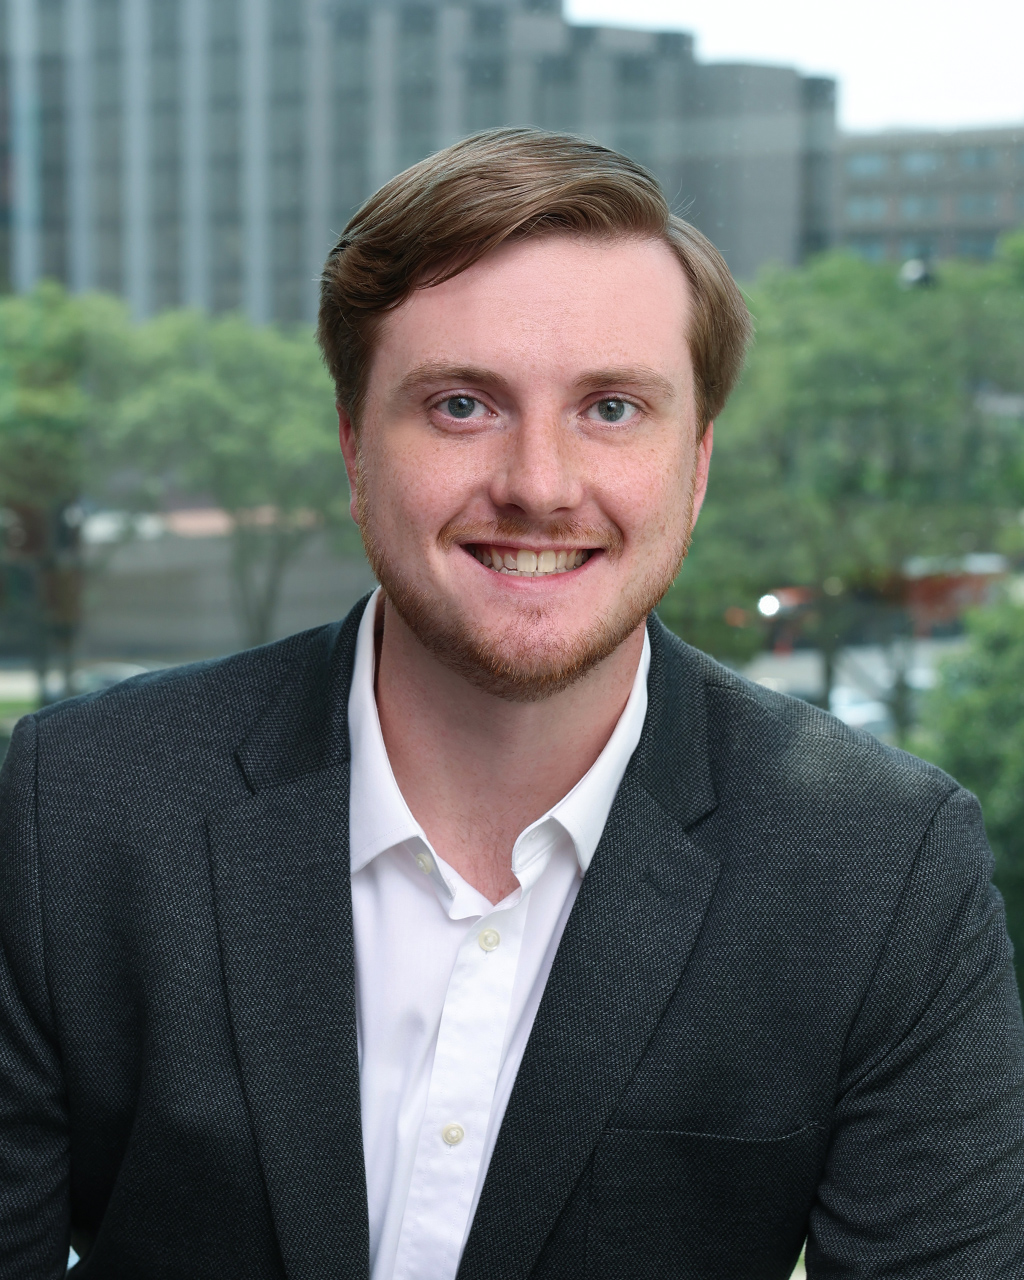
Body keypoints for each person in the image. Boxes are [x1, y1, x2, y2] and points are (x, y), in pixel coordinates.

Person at [1, 129, 1022, 1280]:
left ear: (695, 468)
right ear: (352, 447)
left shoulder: (882, 866)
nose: (538, 483)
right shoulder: (72, 804)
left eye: (614, 409)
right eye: (459, 405)